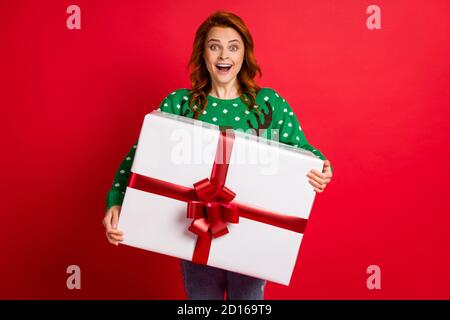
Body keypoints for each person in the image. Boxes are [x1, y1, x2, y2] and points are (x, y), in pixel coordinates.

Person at [103, 10, 333, 300]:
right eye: (215, 46)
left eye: (233, 46)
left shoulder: (269, 104)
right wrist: (117, 200)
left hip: (252, 239)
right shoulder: (179, 104)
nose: (224, 55)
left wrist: (322, 167)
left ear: (244, 54)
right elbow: (141, 154)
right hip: (191, 231)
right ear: (203, 53)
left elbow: (304, 151)